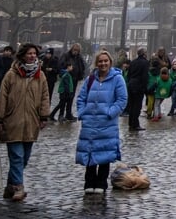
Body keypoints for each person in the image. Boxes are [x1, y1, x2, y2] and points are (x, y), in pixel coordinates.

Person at [0, 43, 49, 202]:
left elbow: (45, 95)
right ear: (22, 55)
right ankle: (19, 187)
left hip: (31, 121)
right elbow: (2, 96)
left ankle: (10, 185)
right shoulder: (11, 75)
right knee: (17, 156)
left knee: (24, 157)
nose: (32, 56)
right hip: (13, 120)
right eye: (29, 53)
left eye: (34, 53)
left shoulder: (40, 75)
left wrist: (44, 115)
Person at [74, 49, 127, 194]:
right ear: (96, 63)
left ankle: (101, 182)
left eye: (106, 61)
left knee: (104, 152)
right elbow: (81, 98)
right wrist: (83, 112)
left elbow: (122, 100)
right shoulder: (90, 79)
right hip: (90, 122)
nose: (103, 64)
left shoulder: (117, 79)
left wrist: (110, 113)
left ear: (110, 62)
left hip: (107, 122)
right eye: (100, 61)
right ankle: (89, 182)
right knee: (90, 151)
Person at [54, 44, 85, 122]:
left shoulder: (79, 57)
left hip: (74, 79)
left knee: (71, 97)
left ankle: (68, 114)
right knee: (64, 97)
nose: (76, 52)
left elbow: (82, 66)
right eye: (75, 50)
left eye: (77, 51)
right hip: (67, 79)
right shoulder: (66, 56)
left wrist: (80, 75)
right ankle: (61, 114)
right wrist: (67, 68)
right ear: (72, 49)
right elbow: (60, 66)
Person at [124, 48, 150, 131]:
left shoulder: (133, 62)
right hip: (139, 86)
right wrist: (144, 88)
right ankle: (135, 124)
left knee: (131, 105)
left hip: (131, 84)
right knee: (137, 106)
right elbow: (145, 76)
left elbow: (129, 74)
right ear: (144, 54)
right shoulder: (145, 63)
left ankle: (131, 123)